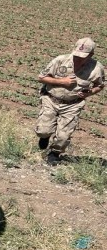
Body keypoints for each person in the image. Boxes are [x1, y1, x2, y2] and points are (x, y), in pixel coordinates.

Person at [36, 37, 105, 165]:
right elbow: (41, 77)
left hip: (73, 104)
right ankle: (44, 137)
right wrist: (62, 81)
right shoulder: (60, 60)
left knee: (63, 137)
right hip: (51, 99)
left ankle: (54, 153)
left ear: (91, 55)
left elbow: (100, 85)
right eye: (77, 55)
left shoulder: (96, 68)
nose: (78, 58)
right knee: (43, 130)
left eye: (82, 56)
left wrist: (89, 93)